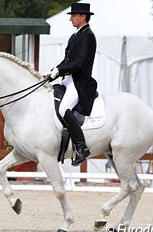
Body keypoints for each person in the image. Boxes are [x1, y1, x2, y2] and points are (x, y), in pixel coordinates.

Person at [48, 3, 97, 166]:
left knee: (63, 109)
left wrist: (60, 70)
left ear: (83, 16)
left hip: (79, 82)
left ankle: (82, 148)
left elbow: (79, 63)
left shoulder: (88, 36)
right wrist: (53, 72)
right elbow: (67, 61)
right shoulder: (76, 35)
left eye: (73, 15)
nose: (70, 19)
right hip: (68, 80)